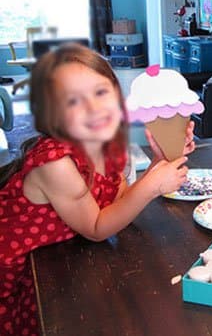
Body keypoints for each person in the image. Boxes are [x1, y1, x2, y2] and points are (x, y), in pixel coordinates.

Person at [0, 44, 194, 335]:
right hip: (21, 268)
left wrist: (160, 160)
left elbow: (118, 203)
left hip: (62, 255)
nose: (92, 108)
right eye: (73, 101)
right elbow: (96, 227)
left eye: (100, 92)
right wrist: (154, 186)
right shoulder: (56, 164)